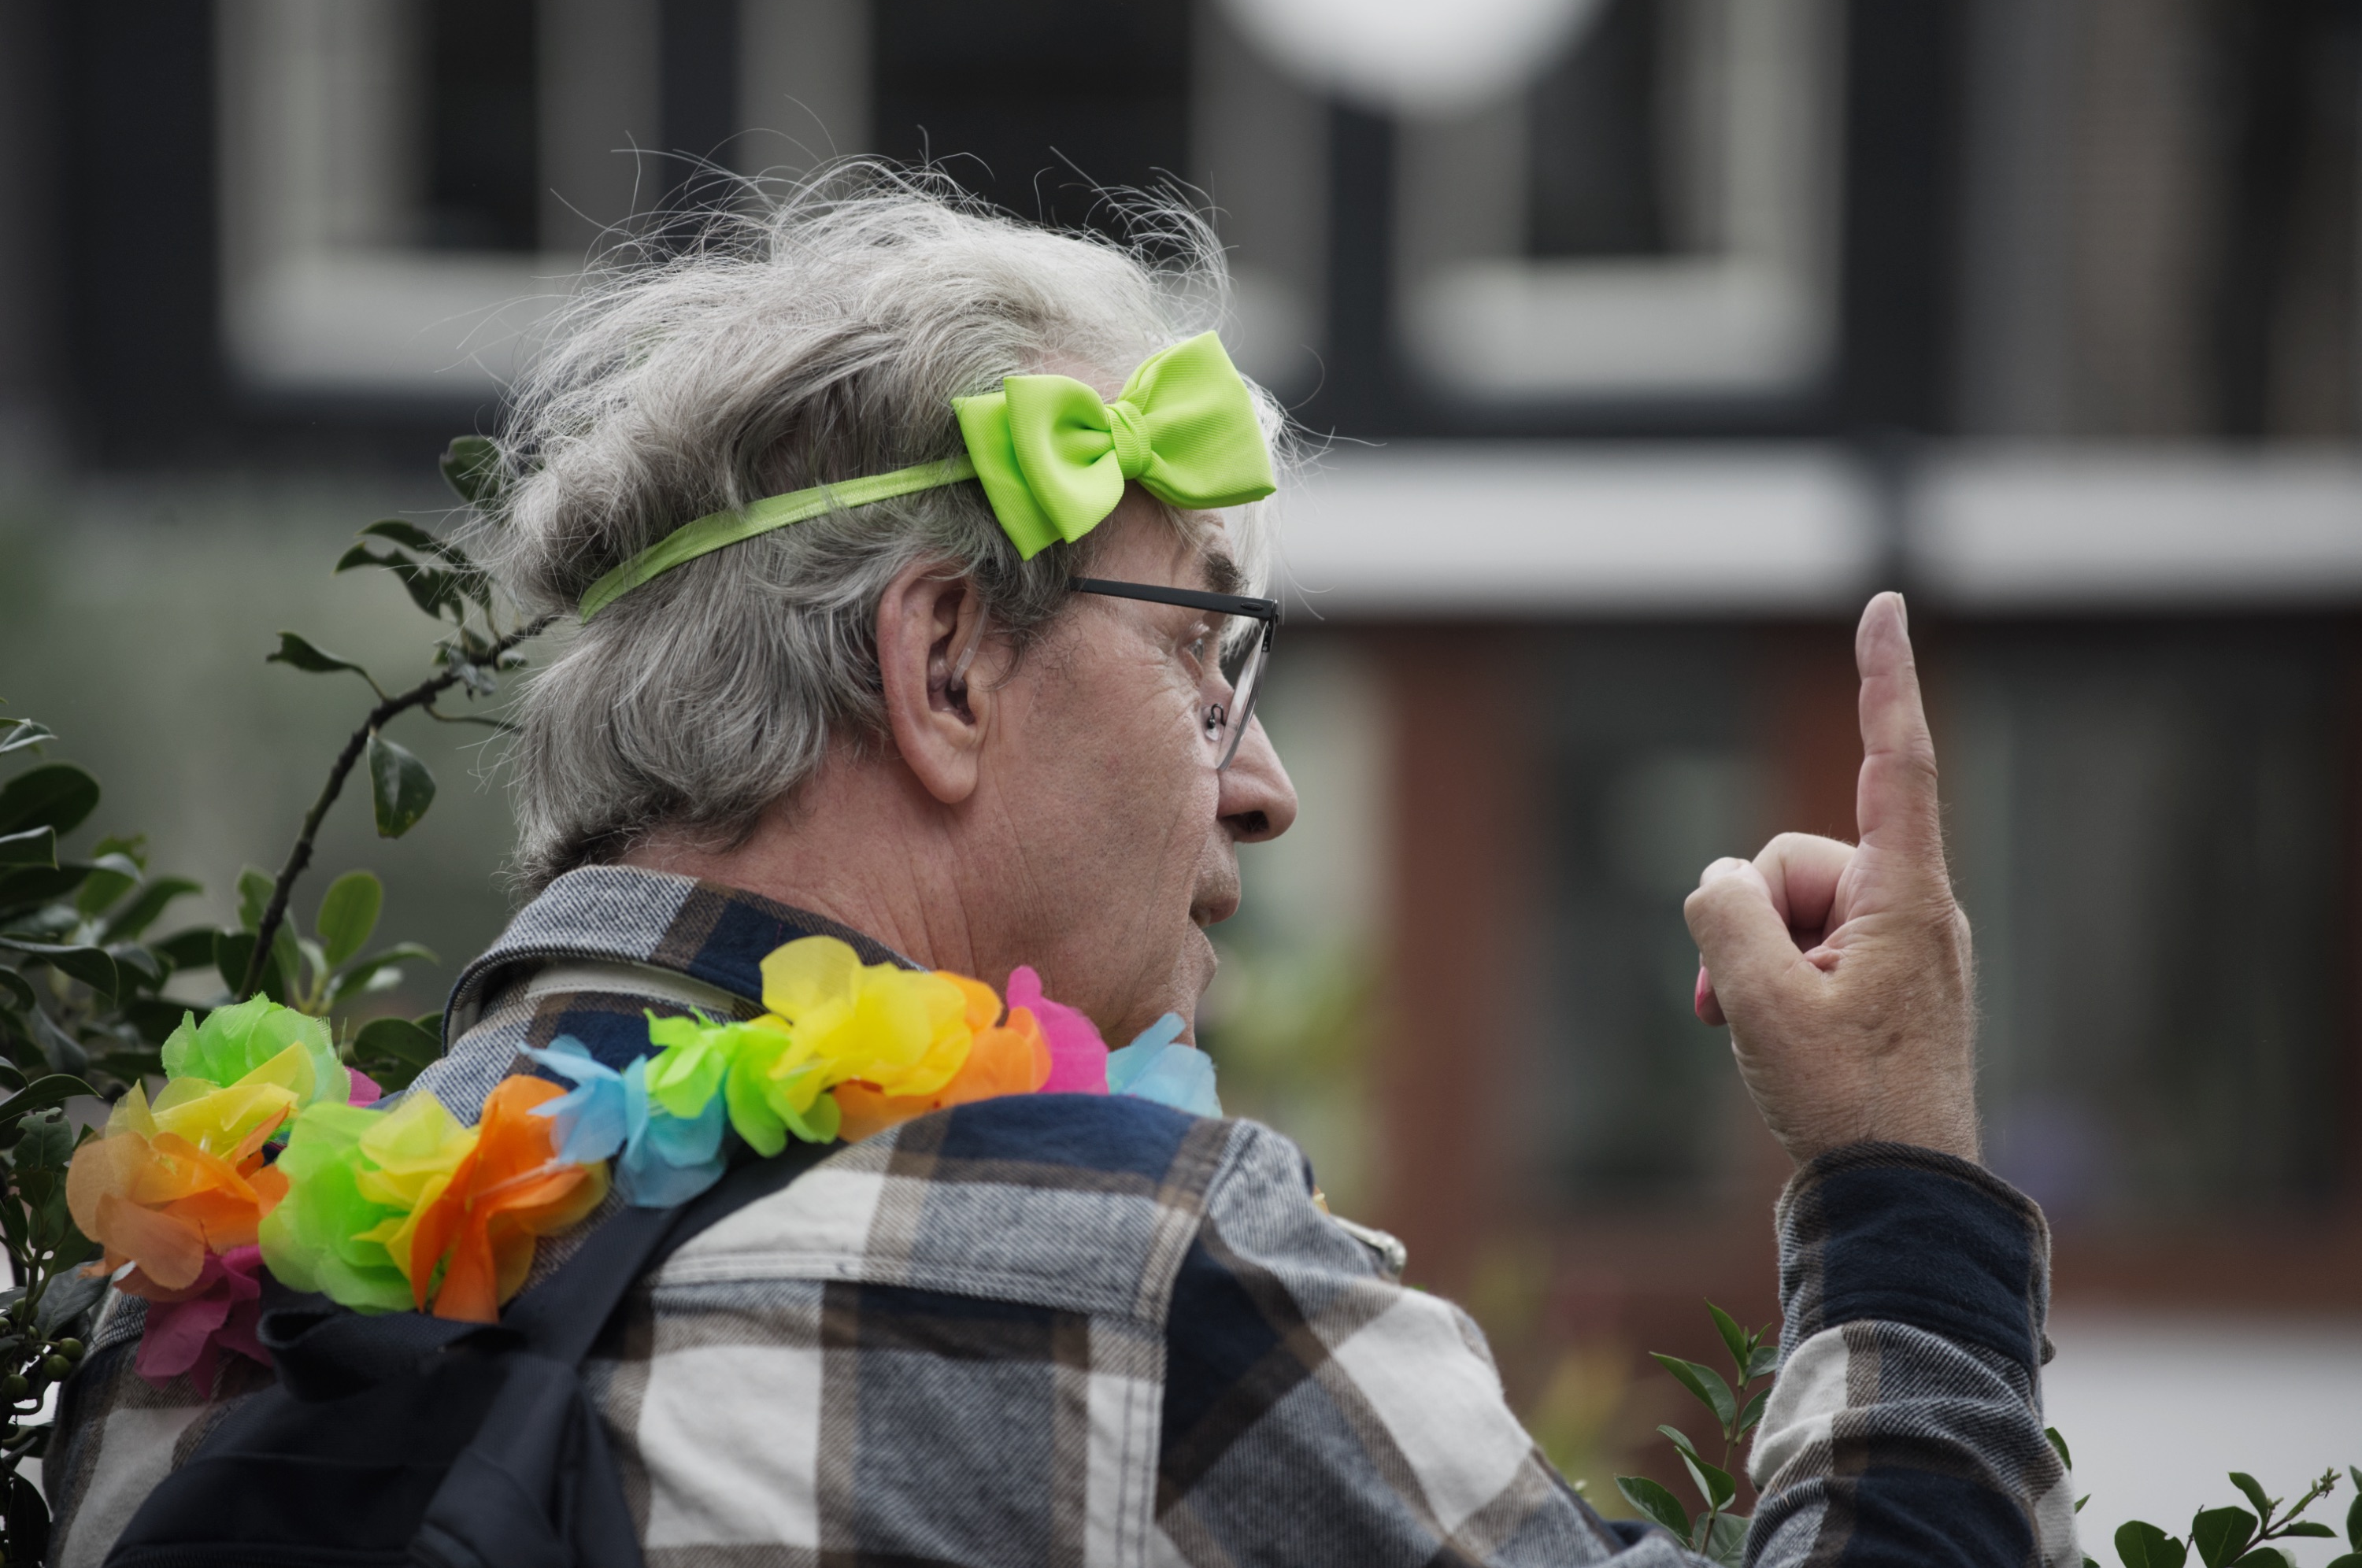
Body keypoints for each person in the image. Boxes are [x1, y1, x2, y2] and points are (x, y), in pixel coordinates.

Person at [46, 172, 2073, 1567]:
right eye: (1205, 655)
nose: (1260, 785)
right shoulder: (1135, 1285)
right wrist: (1901, 1187)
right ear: (939, 666)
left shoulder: (195, 1311)